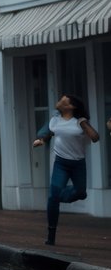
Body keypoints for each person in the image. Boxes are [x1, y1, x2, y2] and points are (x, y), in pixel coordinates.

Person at [33, 93, 100, 246]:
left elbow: (95, 137)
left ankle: (58, 196)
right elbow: (48, 132)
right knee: (52, 197)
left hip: (78, 164)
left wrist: (84, 124)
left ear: (71, 106)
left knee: (81, 193)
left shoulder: (79, 122)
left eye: (63, 101)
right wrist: (41, 140)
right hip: (61, 163)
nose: (59, 102)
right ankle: (51, 235)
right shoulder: (55, 119)